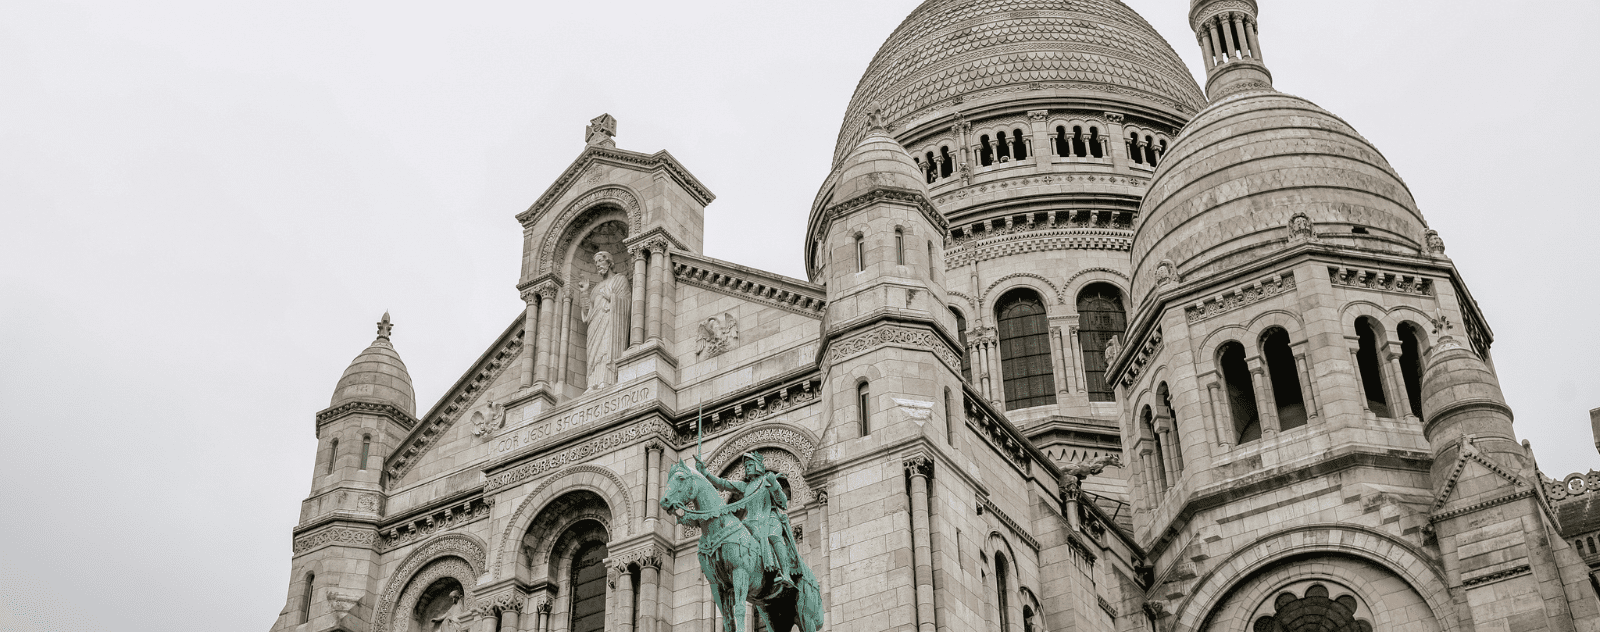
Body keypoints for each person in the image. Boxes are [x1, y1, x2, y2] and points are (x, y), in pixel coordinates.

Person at [696, 452, 800, 593]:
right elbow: (723, 484)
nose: (747, 468)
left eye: (750, 465)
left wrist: (774, 485)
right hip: (750, 523)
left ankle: (786, 574)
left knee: (774, 535)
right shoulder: (745, 487)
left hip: (769, 518)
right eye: (746, 466)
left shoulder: (767, 481)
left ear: (757, 466)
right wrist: (704, 472)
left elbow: (782, 502)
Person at [579, 250, 630, 391]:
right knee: (595, 354)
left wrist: (611, 297)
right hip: (595, 325)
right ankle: (592, 384)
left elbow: (626, 303)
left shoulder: (620, 280)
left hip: (611, 322)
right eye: (596, 263)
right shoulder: (595, 288)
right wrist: (584, 293)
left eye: (600, 261)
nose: (598, 265)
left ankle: (606, 380)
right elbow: (589, 312)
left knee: (605, 350)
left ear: (609, 262)